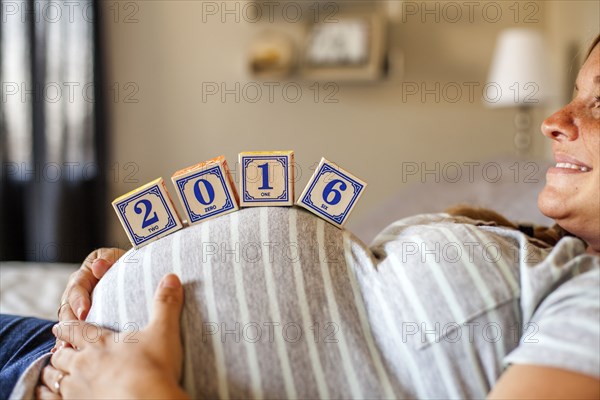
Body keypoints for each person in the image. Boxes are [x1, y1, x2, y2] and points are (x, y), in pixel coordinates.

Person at [1, 34, 599, 399]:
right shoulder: (544, 255)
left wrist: (133, 390)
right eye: (575, 91)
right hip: (46, 349)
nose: (557, 118)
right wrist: (125, 275)